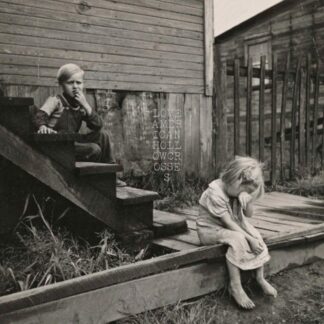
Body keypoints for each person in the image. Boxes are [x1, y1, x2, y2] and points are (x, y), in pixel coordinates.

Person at [196, 156, 277, 309]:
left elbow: (248, 215)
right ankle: (236, 286)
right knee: (239, 238)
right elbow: (228, 223)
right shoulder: (215, 193)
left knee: (255, 235)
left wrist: (248, 200)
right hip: (210, 230)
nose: (244, 193)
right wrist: (248, 240)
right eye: (245, 190)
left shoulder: (235, 190)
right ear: (236, 179)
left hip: (231, 226)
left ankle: (260, 278)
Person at [33, 63, 126, 186]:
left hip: (72, 143)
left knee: (103, 136)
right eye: (70, 83)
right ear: (61, 84)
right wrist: (43, 126)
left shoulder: (80, 106)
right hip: (58, 146)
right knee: (94, 149)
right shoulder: (56, 100)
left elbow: (97, 125)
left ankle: (110, 176)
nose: (75, 87)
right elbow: (40, 115)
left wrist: (86, 106)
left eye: (79, 83)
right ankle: (95, 179)